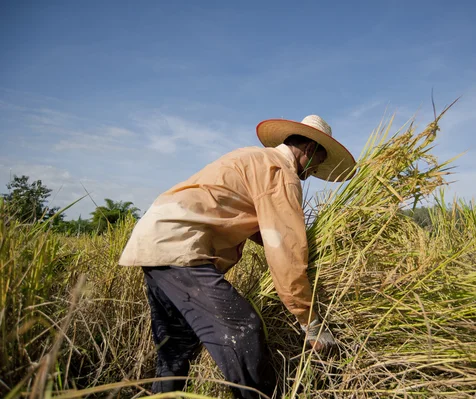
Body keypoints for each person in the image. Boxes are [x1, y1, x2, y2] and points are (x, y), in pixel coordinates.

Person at [118, 115, 356, 398]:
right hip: (181, 245)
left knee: (177, 346)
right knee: (244, 330)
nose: (315, 170)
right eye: (318, 161)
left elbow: (249, 223)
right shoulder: (281, 172)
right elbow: (285, 255)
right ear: (308, 149)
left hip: (156, 238)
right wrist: (311, 323)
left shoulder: (253, 158)